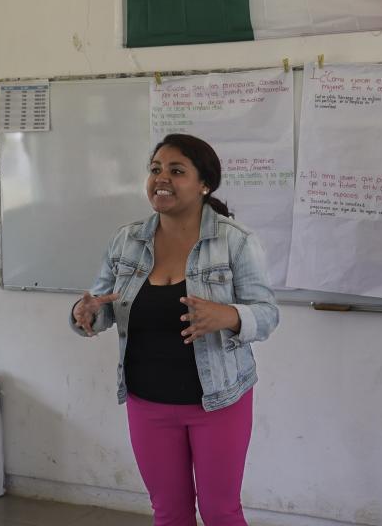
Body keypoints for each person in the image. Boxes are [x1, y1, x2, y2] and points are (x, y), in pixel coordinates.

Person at [70, 133, 279, 526]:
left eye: (176, 170)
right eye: (155, 169)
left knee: (221, 512)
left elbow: (267, 314)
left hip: (217, 400)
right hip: (146, 401)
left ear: (204, 184)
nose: (161, 178)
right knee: (169, 513)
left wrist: (229, 316)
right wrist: (85, 314)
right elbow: (101, 306)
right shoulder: (126, 240)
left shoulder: (235, 242)